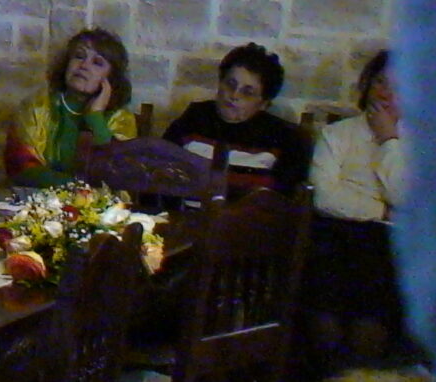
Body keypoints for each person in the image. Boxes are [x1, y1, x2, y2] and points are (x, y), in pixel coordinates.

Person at [305, 51, 420, 376]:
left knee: (375, 282)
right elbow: (323, 195)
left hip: (387, 243)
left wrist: (389, 140)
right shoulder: (337, 134)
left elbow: (405, 196)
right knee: (325, 289)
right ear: (368, 84)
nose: (386, 92)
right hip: (335, 232)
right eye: (380, 82)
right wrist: (381, 209)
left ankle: (363, 366)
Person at [162, 42, 311, 196]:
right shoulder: (195, 117)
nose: (234, 95)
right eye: (230, 84)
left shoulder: (284, 137)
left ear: (264, 104)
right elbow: (159, 165)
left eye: (247, 92)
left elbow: (285, 200)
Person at [5, 27, 138, 188]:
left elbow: (118, 175)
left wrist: (95, 117)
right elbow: (21, 167)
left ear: (111, 78)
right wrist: (76, 188)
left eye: (97, 63)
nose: (84, 65)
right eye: (79, 56)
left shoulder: (122, 118)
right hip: (39, 198)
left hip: (100, 204)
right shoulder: (37, 106)